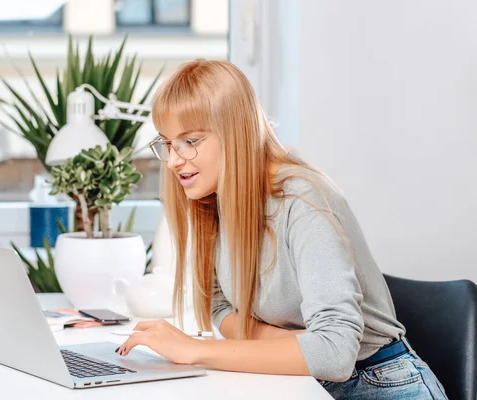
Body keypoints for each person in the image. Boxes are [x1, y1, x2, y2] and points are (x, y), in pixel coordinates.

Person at [115, 59, 447, 399]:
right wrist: (293, 343)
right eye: (167, 143)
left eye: (190, 141)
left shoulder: (301, 198)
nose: (172, 160)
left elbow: (335, 354)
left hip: (380, 383)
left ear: (235, 132)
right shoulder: (212, 199)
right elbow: (220, 307)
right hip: (300, 381)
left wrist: (194, 350)